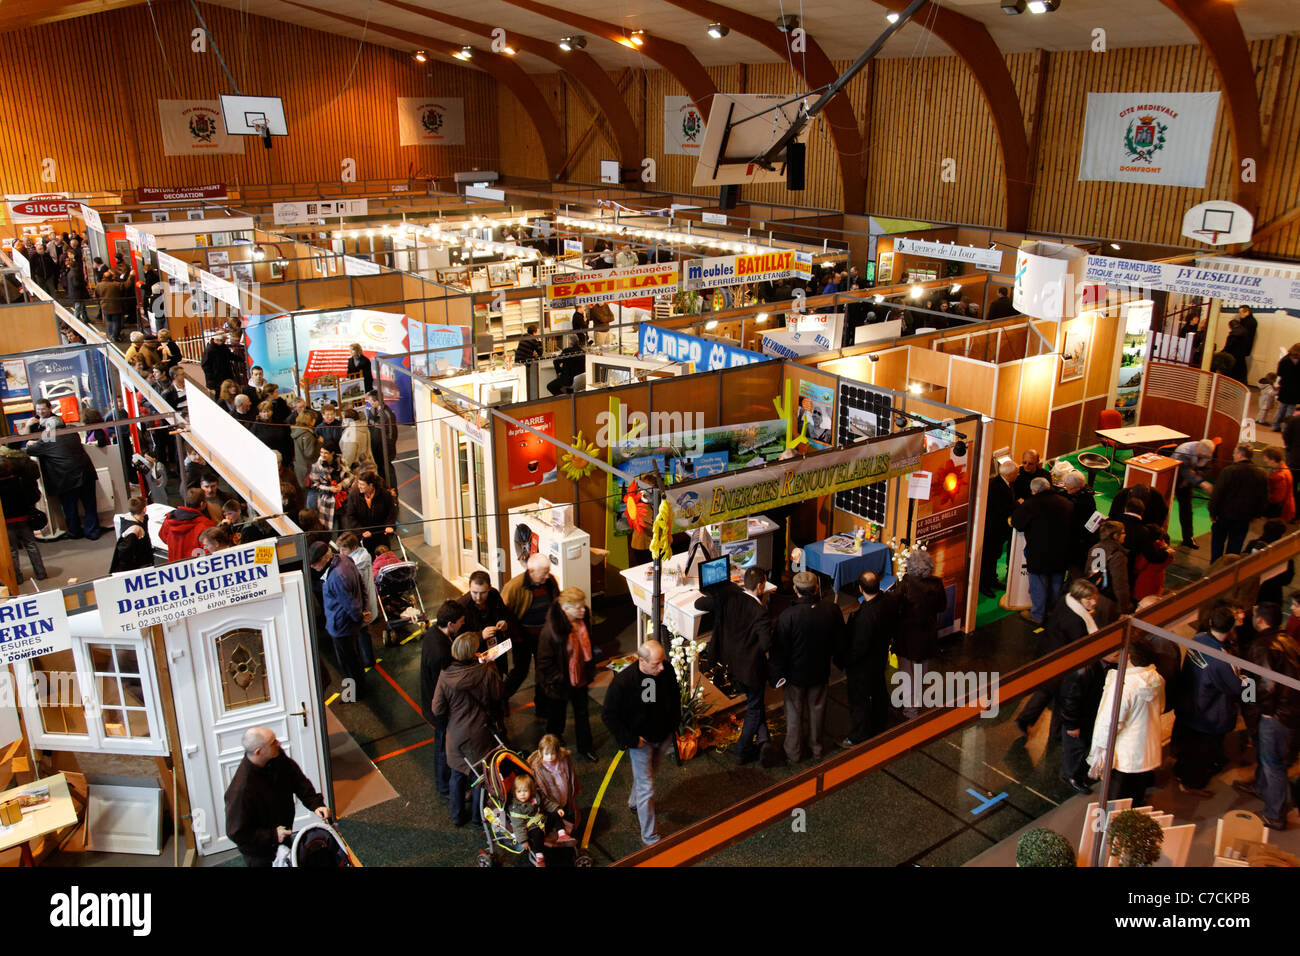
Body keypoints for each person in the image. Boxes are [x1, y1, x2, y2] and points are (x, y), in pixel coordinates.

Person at [600, 640, 679, 846]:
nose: (662, 667)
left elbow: (673, 697)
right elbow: (608, 715)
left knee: (650, 773)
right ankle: (650, 837)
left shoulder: (664, 671)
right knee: (647, 788)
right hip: (640, 742)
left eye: (662, 661)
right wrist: (631, 739)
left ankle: (634, 802)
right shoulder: (623, 683)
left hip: (662, 735)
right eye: (656, 663)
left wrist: (673, 725)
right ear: (641, 661)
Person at [695, 567, 773, 764]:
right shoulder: (759, 612)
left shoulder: (731, 598)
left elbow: (700, 603)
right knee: (755, 707)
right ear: (761, 585)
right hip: (751, 669)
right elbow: (766, 644)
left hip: (731, 663)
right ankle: (743, 749)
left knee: (755, 701)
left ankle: (764, 739)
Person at [223, 726, 329, 867]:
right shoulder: (241, 790)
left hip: (282, 836)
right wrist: (272, 836)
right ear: (259, 752)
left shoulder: (276, 756)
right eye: (273, 742)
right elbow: (237, 833)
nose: (278, 743)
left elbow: (296, 779)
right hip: (260, 853)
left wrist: (315, 803)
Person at [433, 632, 507, 827]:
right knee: (480, 776)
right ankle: (477, 816)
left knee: (457, 774)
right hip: (480, 732)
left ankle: (457, 816)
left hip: (456, 734)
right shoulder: (486, 670)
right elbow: (498, 693)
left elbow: (437, 708)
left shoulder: (445, 675)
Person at [1239, 603, 1300, 830]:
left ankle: (1274, 815)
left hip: (1275, 716)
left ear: (1261, 620)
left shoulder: (1261, 646)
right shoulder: (1289, 641)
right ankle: (1260, 787)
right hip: (1291, 712)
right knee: (1271, 759)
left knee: (1274, 763)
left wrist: (1259, 711)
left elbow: (1264, 685)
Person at [1173, 606, 1246, 796]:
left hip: (1190, 706)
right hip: (1208, 716)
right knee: (1200, 754)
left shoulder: (1198, 639)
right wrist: (1249, 683)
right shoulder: (1221, 661)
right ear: (1231, 629)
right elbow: (1236, 688)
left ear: (1211, 623)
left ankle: (1181, 773)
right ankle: (1192, 784)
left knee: (1190, 747)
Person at [771, 571, 841, 762]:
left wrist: (777, 676)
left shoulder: (787, 616)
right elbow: (839, 639)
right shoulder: (831, 610)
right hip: (820, 671)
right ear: (816, 588)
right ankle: (817, 748)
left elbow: (779, 651)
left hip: (795, 675)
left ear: (795, 590)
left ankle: (793, 752)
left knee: (794, 713)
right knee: (817, 710)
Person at [1018, 578, 1102, 735]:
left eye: (1094, 599)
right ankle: (1049, 730)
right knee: (1057, 697)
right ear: (1079, 598)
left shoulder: (1066, 601)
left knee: (1049, 693)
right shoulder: (1076, 620)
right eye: (1089, 599)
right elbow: (1080, 645)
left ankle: (1029, 721)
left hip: (1050, 656)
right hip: (1060, 664)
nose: (1093, 603)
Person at [1086, 639, 1165, 802]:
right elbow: (1161, 708)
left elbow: (1109, 723)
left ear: (1128, 657)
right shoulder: (1156, 678)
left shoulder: (1124, 686)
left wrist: (1099, 751)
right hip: (1145, 750)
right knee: (1137, 795)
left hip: (1124, 754)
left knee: (1117, 801)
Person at [536, 587, 598, 762]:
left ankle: (585, 747)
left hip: (579, 677)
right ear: (566, 609)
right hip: (560, 682)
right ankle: (552, 748)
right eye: (578, 607)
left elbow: (588, 645)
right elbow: (544, 662)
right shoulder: (551, 631)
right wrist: (559, 678)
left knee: (582, 713)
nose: (583, 610)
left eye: (583, 606)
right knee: (556, 717)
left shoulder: (582, 620)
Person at [837, 570, 894, 745]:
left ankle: (858, 736)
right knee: (878, 690)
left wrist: (845, 661)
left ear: (861, 589)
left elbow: (859, 647)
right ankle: (881, 721)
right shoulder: (887, 602)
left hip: (863, 666)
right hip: (879, 657)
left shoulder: (865, 617)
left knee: (859, 700)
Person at [311, 540, 373, 695]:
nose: (312, 566)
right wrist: (364, 609)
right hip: (349, 623)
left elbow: (349, 603)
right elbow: (361, 584)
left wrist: (358, 616)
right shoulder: (345, 559)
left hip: (341, 626)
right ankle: (361, 686)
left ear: (325, 559)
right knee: (354, 657)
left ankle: (354, 694)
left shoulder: (336, 576)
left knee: (347, 663)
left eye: (315, 563)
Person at [1012, 476, 1074, 625]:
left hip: (1039, 553)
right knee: (1056, 583)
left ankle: (1038, 615)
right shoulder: (1066, 503)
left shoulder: (1030, 505)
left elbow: (1018, 523)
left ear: (1034, 491)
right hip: (1061, 552)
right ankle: (1052, 612)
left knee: (1038, 584)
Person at [499, 552, 559, 703]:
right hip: (523, 638)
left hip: (544, 637)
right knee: (520, 671)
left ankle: (542, 706)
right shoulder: (514, 586)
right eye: (544, 573)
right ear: (531, 571)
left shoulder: (549, 582)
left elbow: (557, 601)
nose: (547, 576)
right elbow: (503, 611)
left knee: (543, 670)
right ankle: (500, 698)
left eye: (548, 572)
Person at [26, 423, 102, 540]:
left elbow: (31, 450)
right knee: (90, 505)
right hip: (86, 473)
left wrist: (32, 442)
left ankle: (75, 531)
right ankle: (92, 531)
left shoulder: (50, 436)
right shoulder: (72, 432)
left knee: (70, 508)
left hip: (66, 478)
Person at [421, 601, 463, 800]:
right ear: (452, 624)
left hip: (430, 703)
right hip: (439, 710)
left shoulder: (432, 635)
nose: (462, 625)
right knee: (442, 748)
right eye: (461, 622)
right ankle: (445, 787)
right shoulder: (441, 651)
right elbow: (447, 682)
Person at [1209, 443, 1267, 562]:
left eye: (1235, 452)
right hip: (1244, 517)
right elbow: (1262, 497)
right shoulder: (1260, 473)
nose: (1233, 455)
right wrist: (1257, 514)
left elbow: (1218, 493)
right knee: (1236, 545)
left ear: (1240, 454)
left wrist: (1212, 512)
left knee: (1218, 543)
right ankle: (1229, 569)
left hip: (1224, 515)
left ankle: (1214, 566)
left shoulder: (1229, 471)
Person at [0, 455, 45, 583]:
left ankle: (17, 578)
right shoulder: (19, 481)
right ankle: (40, 572)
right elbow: (30, 497)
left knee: (12, 550)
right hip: (24, 519)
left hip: (6, 523)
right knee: (31, 545)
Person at [528, 734, 580, 831]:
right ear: (540, 752)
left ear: (558, 751)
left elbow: (572, 774)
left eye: (552, 753)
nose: (550, 757)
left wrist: (576, 787)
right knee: (556, 816)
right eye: (546, 754)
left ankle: (567, 826)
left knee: (566, 809)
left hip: (564, 793)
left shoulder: (564, 760)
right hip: (551, 799)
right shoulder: (537, 768)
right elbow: (538, 787)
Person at [1171, 438, 1215, 548]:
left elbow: (1207, 468)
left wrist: (1201, 466)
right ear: (1198, 449)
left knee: (1187, 509)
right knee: (1165, 507)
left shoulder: (1206, 452)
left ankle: (1188, 538)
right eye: (1205, 456)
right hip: (1173, 479)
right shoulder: (1184, 452)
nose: (1207, 458)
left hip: (1187, 483)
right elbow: (1184, 471)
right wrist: (1200, 482)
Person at [338, 531, 379, 646]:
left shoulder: (357, 564)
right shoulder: (363, 554)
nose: (340, 553)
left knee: (362, 634)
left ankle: (368, 661)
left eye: (344, 550)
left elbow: (357, 589)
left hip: (362, 607)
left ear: (353, 548)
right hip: (363, 606)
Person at [505, 775, 554, 866]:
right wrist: (524, 840)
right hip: (530, 826)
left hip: (541, 819)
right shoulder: (515, 807)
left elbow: (546, 803)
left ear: (531, 791)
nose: (522, 794)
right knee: (537, 834)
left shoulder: (535, 797)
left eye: (525, 791)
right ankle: (539, 855)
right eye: (519, 791)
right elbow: (518, 825)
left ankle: (561, 832)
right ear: (514, 792)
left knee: (554, 814)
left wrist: (556, 809)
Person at [1087, 520, 1132, 618]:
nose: (1125, 535)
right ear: (1115, 535)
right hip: (1108, 601)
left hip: (1091, 595)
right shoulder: (1118, 554)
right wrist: (1124, 608)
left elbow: (1088, 572)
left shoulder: (1095, 548)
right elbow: (1120, 583)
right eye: (1123, 532)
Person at [158, 487, 215, 561]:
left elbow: (163, 537)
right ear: (202, 504)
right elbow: (211, 550)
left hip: (175, 567)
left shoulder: (170, 519)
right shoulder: (205, 525)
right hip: (197, 569)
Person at [110, 495, 154, 574]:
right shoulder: (134, 530)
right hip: (139, 568)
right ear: (144, 509)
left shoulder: (130, 519)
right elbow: (125, 552)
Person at [1131, 525, 1176, 602]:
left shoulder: (1151, 552)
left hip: (1143, 584)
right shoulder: (1166, 555)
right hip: (1156, 583)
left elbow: (1138, 566)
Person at [307, 440, 345, 530]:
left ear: (332, 453)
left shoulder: (341, 461)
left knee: (342, 526)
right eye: (321, 452)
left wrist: (342, 484)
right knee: (330, 527)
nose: (322, 455)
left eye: (326, 453)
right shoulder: (317, 466)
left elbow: (349, 476)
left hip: (342, 499)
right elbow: (314, 485)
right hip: (326, 500)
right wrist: (329, 489)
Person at [364, 391, 398, 487]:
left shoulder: (387, 414)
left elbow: (392, 435)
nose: (369, 402)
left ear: (376, 401)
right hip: (375, 448)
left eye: (370, 400)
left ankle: (393, 491)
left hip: (385, 449)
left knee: (388, 470)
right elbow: (369, 428)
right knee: (379, 470)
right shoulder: (371, 411)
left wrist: (388, 449)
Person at [1263, 446, 1295, 523]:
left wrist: (1264, 497)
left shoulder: (1280, 476)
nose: (1264, 460)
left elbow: (1277, 498)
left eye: (1266, 457)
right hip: (1282, 508)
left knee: (1272, 530)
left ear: (1273, 459)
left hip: (1278, 511)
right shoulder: (1283, 468)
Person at [95, 268, 126, 341]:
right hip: (116, 306)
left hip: (105, 306)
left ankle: (110, 334)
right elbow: (126, 286)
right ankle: (115, 336)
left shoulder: (98, 285)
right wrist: (131, 276)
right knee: (116, 322)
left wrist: (100, 303)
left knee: (109, 321)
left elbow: (96, 295)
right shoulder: (116, 284)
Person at [291, 411, 320, 487]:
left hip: (299, 466)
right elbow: (309, 453)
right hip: (308, 468)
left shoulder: (296, 431)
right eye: (314, 419)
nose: (315, 421)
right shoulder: (307, 435)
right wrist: (319, 443)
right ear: (310, 420)